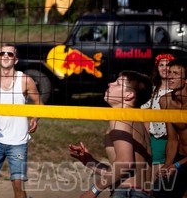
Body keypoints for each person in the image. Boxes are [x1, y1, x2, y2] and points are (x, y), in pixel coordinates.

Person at [69, 70, 153, 198]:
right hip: (141, 192)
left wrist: (93, 191)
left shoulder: (120, 117)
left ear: (129, 95)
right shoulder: (139, 122)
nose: (110, 84)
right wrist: (90, 161)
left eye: (118, 83)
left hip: (127, 193)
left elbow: (125, 163)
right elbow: (122, 172)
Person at [0, 44, 42, 198]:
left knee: (18, 185)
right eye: (3, 53)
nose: (6, 56)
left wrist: (35, 118)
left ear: (16, 60)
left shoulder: (25, 80)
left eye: (10, 54)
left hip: (18, 141)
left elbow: (39, 103)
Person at [154, 58, 187, 198]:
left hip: (182, 163)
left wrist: (177, 165)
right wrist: (167, 165)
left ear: (186, 79)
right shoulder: (165, 101)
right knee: (159, 189)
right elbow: (172, 139)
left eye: (176, 73)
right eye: (170, 72)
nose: (170, 76)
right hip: (180, 157)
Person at [142, 53, 175, 176]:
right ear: (157, 68)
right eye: (161, 65)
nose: (164, 68)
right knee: (156, 174)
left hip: (174, 139)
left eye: (168, 65)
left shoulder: (179, 90)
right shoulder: (152, 90)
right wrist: (147, 140)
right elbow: (145, 117)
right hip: (156, 138)